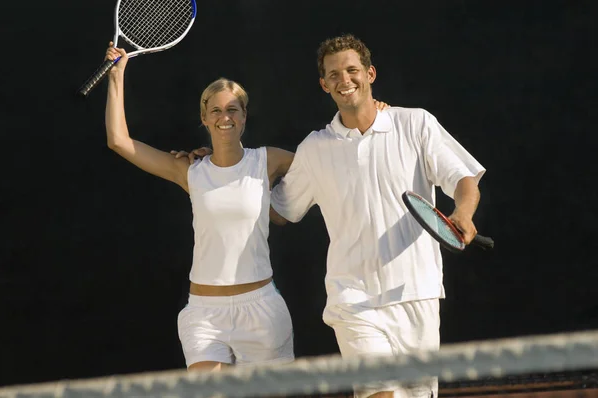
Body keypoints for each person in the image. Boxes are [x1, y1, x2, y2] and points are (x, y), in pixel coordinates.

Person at [268, 34, 486, 398]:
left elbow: (463, 177)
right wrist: (230, 170)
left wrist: (463, 212)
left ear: (370, 73)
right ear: (324, 84)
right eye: (333, 74)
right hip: (352, 300)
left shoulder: (415, 124)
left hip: (417, 294)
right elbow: (280, 212)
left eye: (352, 70)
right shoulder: (314, 149)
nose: (344, 80)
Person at [103, 42, 295, 371]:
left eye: (233, 109)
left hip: (261, 311)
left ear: (244, 116)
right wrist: (116, 75)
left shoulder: (268, 160)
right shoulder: (190, 170)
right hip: (204, 314)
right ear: (204, 119)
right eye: (216, 111)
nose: (225, 117)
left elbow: (324, 166)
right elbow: (119, 140)